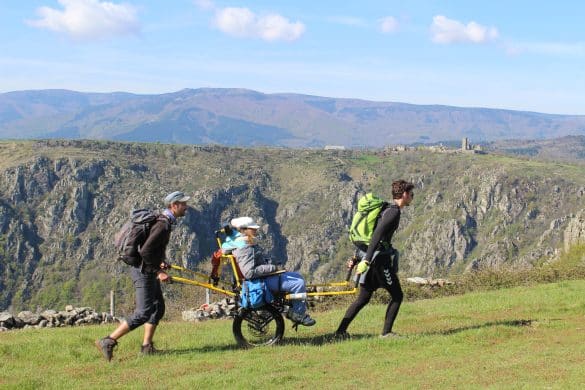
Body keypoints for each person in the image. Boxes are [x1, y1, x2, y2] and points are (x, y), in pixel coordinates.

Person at [96, 190, 190, 361]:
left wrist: (160, 261)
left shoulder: (165, 221)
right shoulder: (163, 224)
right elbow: (146, 251)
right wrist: (159, 271)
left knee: (157, 308)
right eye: (183, 204)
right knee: (143, 312)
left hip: (147, 268)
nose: (186, 207)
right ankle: (108, 341)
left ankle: (147, 347)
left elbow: (151, 250)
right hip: (143, 271)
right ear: (174, 205)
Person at [335, 180, 414, 339]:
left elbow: (369, 236)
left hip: (373, 259)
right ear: (404, 194)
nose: (413, 197)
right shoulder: (393, 212)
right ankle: (386, 333)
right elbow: (376, 235)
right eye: (411, 194)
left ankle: (340, 332)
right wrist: (366, 260)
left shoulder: (386, 209)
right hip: (379, 262)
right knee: (397, 296)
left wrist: (358, 257)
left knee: (363, 298)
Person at [226, 216, 316, 327]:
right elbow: (249, 272)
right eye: (253, 228)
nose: (256, 230)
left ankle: (294, 310)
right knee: (298, 283)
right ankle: (297, 314)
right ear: (245, 230)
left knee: (297, 276)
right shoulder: (245, 247)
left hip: (262, 278)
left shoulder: (244, 243)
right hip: (260, 281)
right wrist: (273, 268)